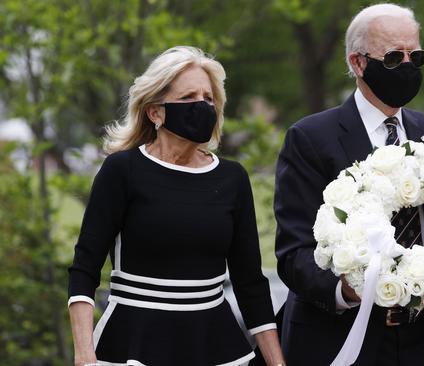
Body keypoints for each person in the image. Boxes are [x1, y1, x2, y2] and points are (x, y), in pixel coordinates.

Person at [274, 4, 424, 365]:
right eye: (391, 58)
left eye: (414, 56)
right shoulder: (310, 139)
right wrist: (347, 289)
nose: (406, 66)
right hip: (346, 335)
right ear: (358, 63)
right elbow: (294, 254)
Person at [68, 46, 285, 366]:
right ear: (155, 112)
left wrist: (277, 362)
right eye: (188, 98)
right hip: (132, 342)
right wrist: (84, 355)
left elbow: (250, 283)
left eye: (208, 98)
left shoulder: (232, 178)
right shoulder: (122, 171)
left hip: (215, 344)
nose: (202, 106)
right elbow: (85, 269)